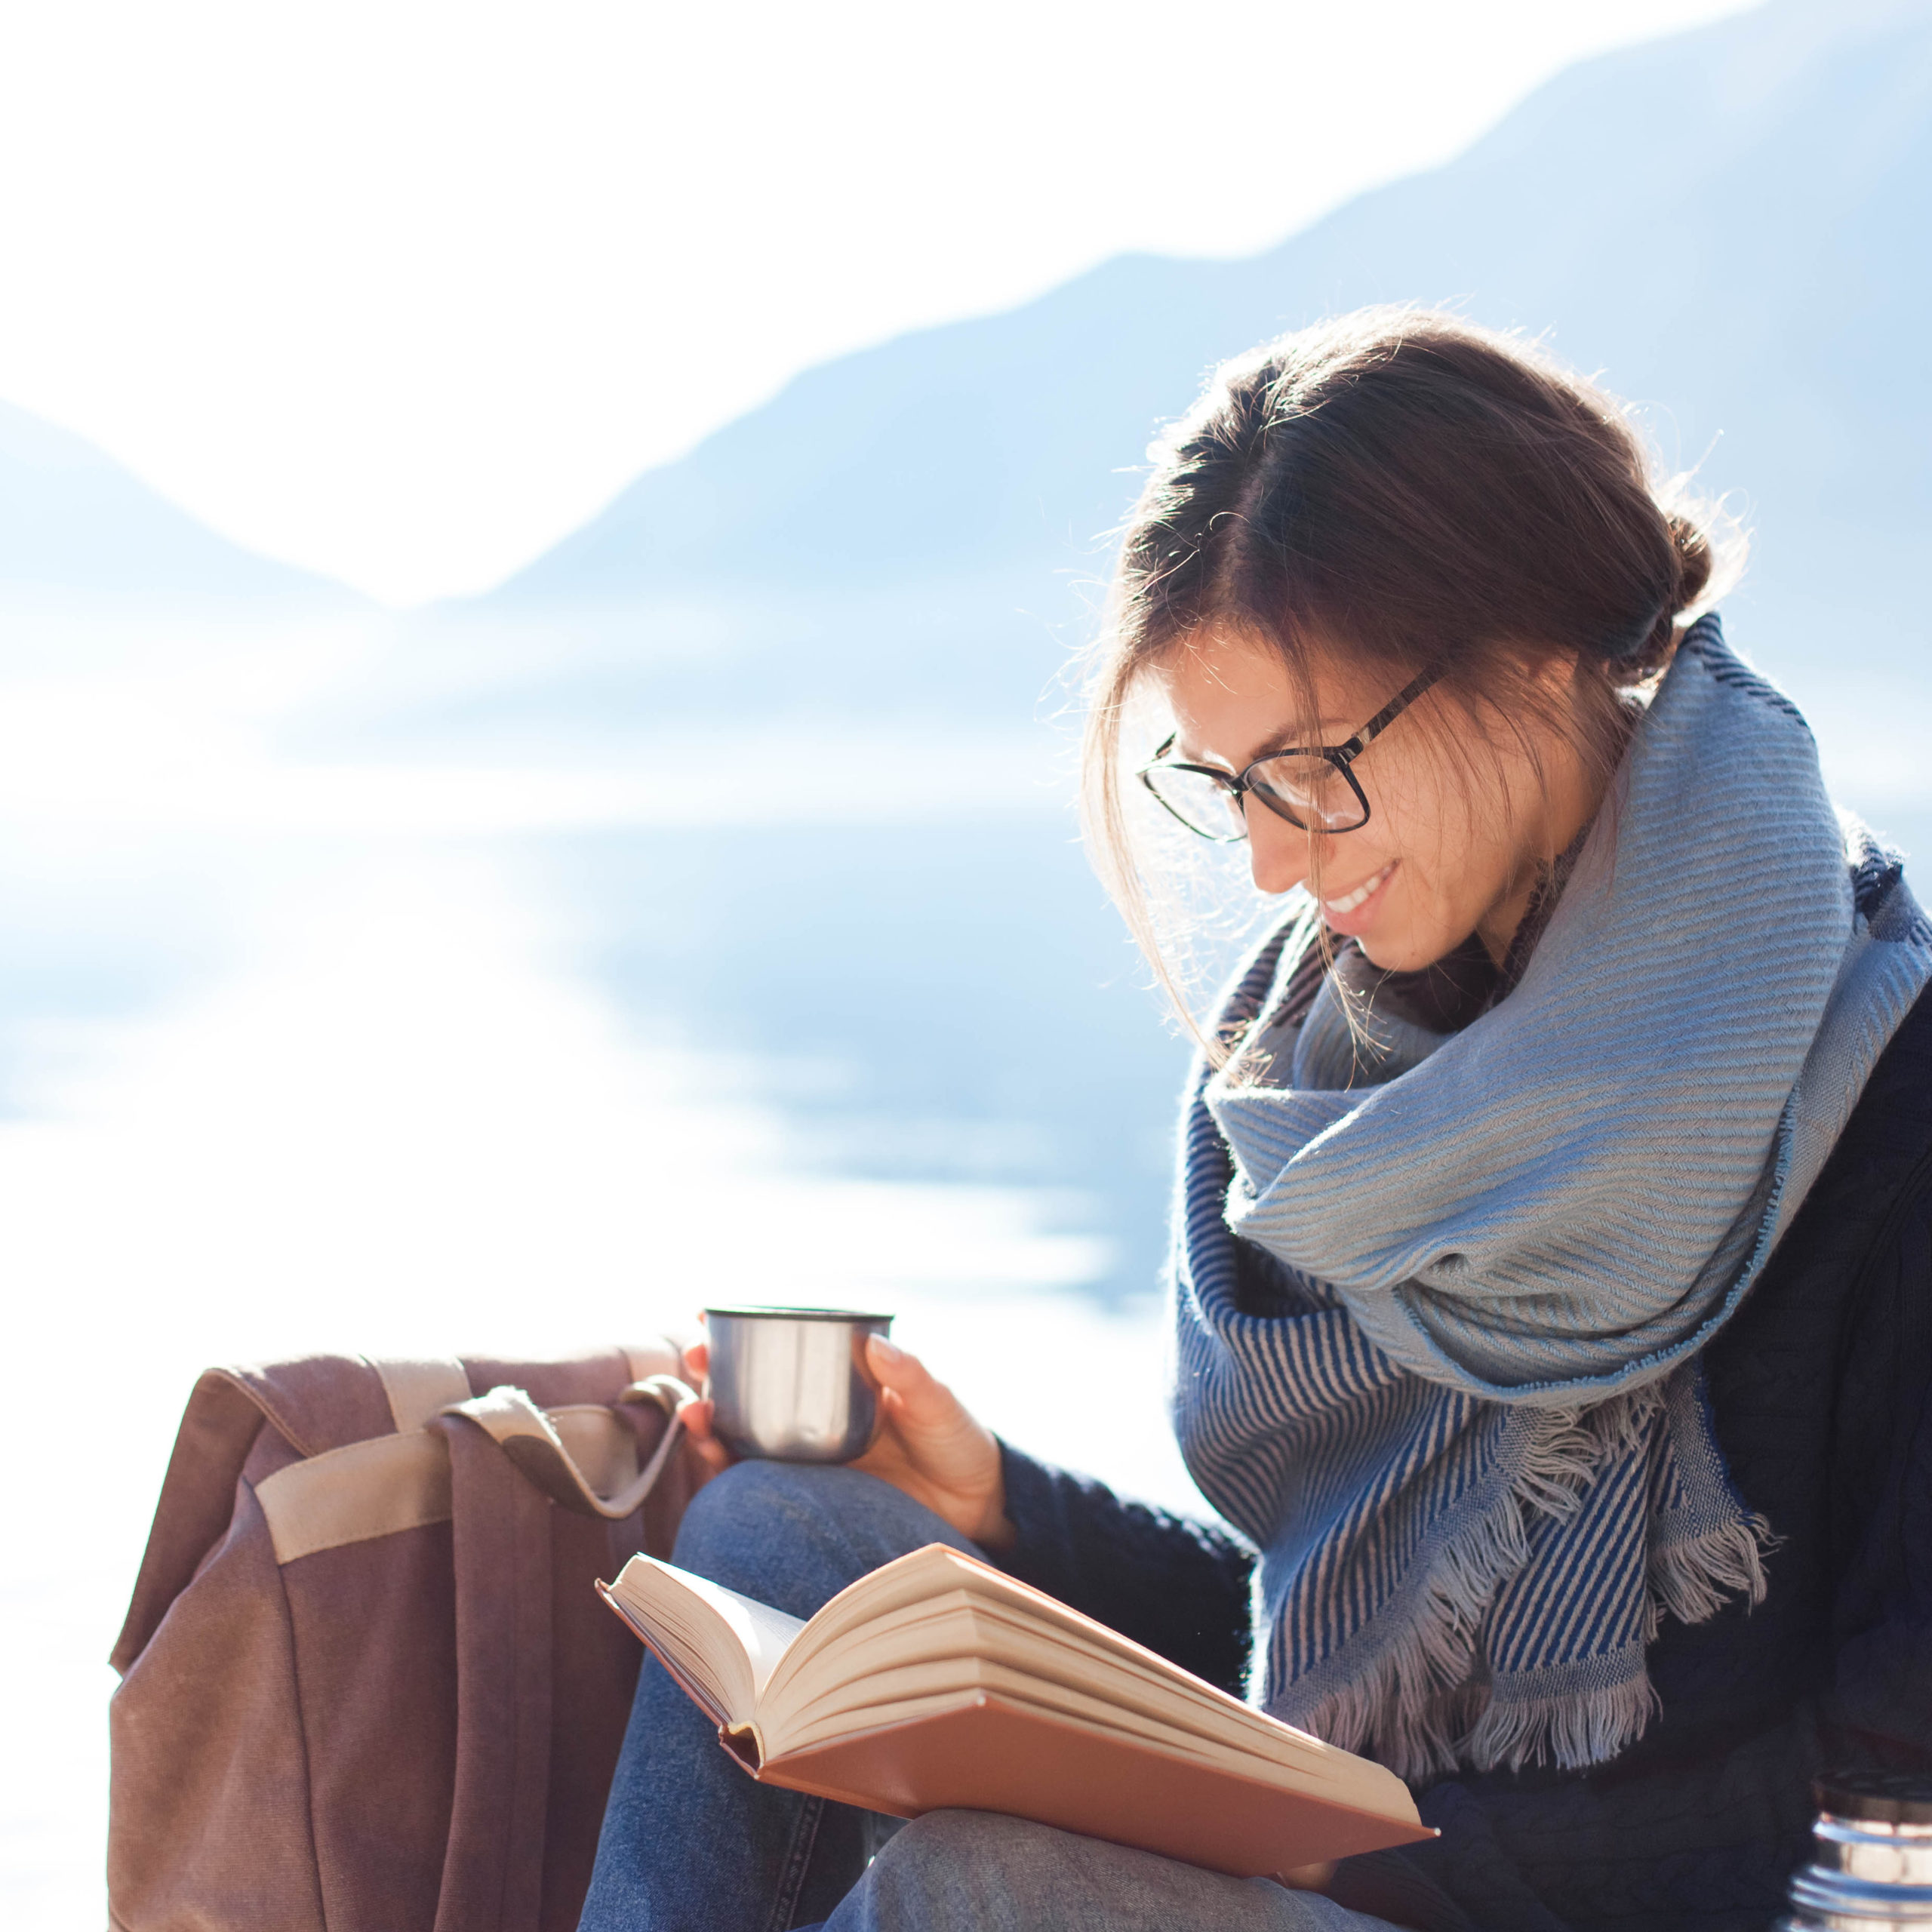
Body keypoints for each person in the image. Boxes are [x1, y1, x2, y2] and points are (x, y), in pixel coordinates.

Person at [577, 311, 1932, 1932]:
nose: (1277, 866)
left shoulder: (1879, 1092)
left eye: (1311, 768)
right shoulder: (1315, 1089)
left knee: (981, 1883)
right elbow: (1321, 1643)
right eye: (1230, 787)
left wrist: (1319, 1848)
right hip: (1362, 1852)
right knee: (770, 1530)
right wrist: (1001, 1508)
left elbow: (1882, 1824)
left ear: (1539, 647)